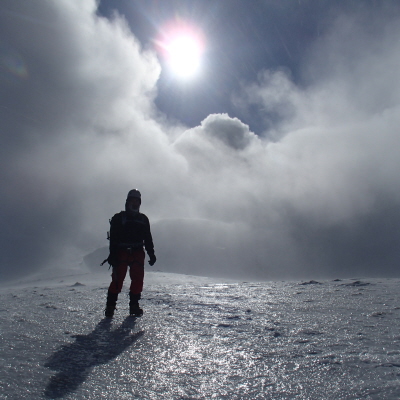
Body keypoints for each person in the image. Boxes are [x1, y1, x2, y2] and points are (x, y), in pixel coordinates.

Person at [104, 189, 156, 317]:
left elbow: (148, 238)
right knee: (117, 280)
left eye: (137, 201)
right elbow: (114, 238)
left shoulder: (143, 219)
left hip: (137, 252)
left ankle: (134, 306)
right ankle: (110, 306)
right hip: (121, 252)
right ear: (127, 202)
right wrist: (112, 254)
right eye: (132, 201)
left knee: (138, 280)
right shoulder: (119, 218)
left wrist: (151, 253)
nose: (134, 203)